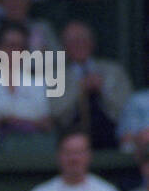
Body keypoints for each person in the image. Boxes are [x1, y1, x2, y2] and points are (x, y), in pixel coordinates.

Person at [48, 20, 132, 149]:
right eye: (72, 41)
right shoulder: (56, 75)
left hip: (112, 138)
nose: (78, 45)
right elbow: (56, 113)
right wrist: (79, 89)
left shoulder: (113, 70)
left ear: (92, 43)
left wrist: (103, 89)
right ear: (64, 46)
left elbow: (126, 109)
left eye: (82, 39)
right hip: (70, 140)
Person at [0, 21, 53, 135]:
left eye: (19, 46)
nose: (13, 51)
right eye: (8, 45)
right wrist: (4, 122)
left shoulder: (39, 83)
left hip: (31, 142)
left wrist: (17, 122)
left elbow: (46, 122)